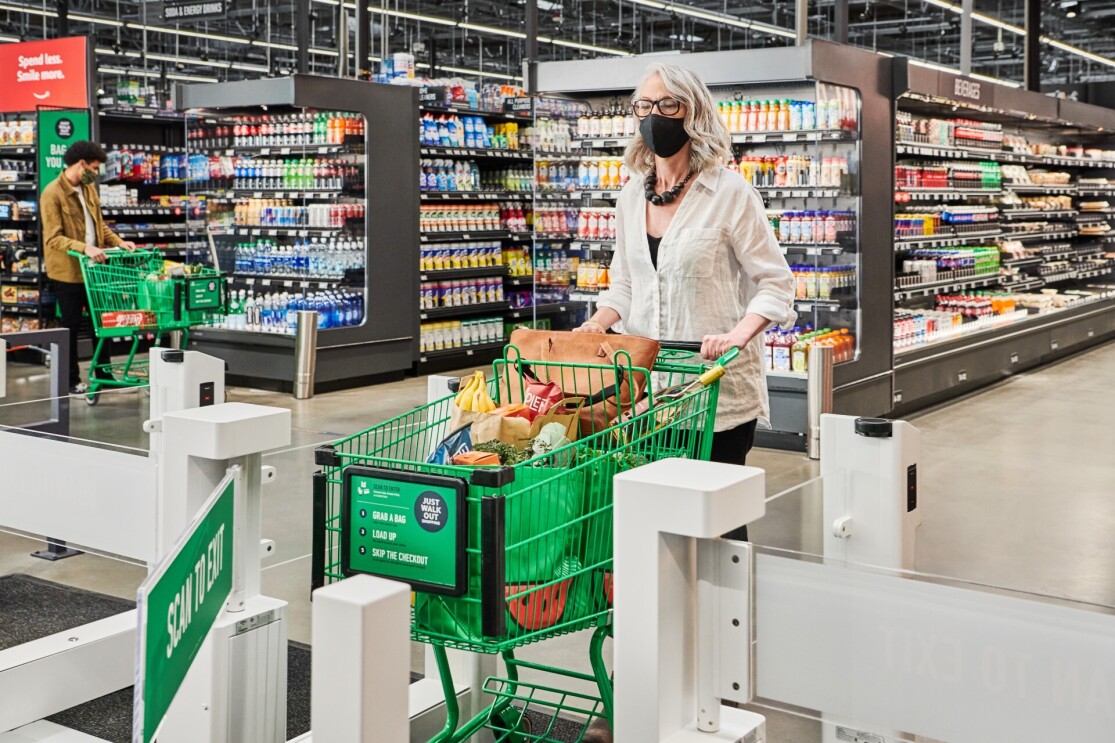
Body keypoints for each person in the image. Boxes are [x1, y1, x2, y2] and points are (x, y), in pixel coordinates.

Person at [575, 61, 796, 743]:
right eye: (643, 103)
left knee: (713, 546)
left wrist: (736, 332)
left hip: (716, 400)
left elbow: (774, 286)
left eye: (667, 103)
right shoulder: (626, 197)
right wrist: (594, 325)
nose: (653, 115)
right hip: (647, 401)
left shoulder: (730, 193)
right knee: (644, 548)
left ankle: (718, 696)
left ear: (692, 113)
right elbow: (621, 287)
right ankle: (646, 696)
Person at [40, 141, 136, 394]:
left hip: (95, 269)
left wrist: (118, 242)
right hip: (69, 272)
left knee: (101, 322)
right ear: (81, 164)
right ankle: (70, 380)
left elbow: (99, 225)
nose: (97, 172)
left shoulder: (89, 189)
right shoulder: (52, 193)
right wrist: (85, 248)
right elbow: (52, 237)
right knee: (70, 326)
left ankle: (104, 373)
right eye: (94, 167)